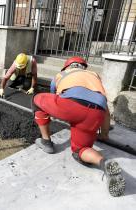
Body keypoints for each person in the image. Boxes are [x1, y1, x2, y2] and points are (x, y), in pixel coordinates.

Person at [32, 56, 125, 197]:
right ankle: (104, 163)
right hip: (96, 111)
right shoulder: (94, 75)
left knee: (37, 100)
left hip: (71, 105)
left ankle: (46, 142)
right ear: (84, 67)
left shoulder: (61, 75)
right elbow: (106, 111)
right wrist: (104, 134)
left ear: (66, 67)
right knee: (80, 150)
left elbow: (53, 99)